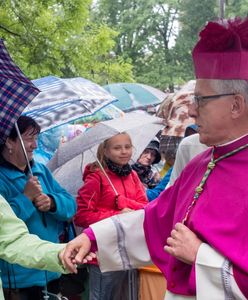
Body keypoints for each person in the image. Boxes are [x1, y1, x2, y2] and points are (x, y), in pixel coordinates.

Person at [62, 17, 248, 299]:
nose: (193, 112)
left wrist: (200, 256)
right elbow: (155, 222)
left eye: (201, 100)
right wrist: (93, 238)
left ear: (236, 105)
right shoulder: (200, 163)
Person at [0, 116, 76, 299]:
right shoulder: (2, 178)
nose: (35, 145)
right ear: (10, 142)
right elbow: (6, 226)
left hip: (52, 267)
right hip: (20, 278)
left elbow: (71, 205)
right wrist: (26, 198)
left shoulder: (41, 170)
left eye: (36, 138)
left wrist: (52, 202)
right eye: (29, 139)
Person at [74, 132, 148, 300]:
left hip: (130, 248)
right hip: (103, 251)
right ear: (106, 151)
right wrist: (116, 215)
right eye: (117, 148)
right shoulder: (96, 178)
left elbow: (145, 206)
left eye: (127, 147)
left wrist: (123, 202)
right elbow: (81, 216)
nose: (124, 152)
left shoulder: (133, 175)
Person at [0, 194, 68, 300]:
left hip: (50, 271)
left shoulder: (43, 177)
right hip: (19, 280)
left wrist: (60, 253)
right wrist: (26, 198)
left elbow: (11, 239)